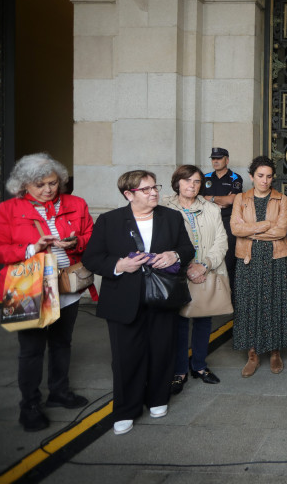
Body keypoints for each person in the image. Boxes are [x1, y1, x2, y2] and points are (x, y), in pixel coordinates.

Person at [0, 153, 93, 432]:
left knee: (62, 342)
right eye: (40, 185)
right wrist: (32, 249)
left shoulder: (76, 203)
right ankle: (29, 405)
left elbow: (92, 237)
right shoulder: (9, 209)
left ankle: (59, 392)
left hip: (68, 287)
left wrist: (75, 241)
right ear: (24, 186)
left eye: (53, 183)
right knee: (31, 350)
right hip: (27, 289)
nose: (48, 189)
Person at [83, 170, 195, 436]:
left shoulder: (171, 217)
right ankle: (126, 409)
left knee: (162, 350)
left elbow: (188, 249)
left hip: (162, 297)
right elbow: (92, 257)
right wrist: (119, 265)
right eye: (146, 189)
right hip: (123, 298)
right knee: (126, 357)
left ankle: (158, 398)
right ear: (128, 194)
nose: (154, 192)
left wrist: (173, 255)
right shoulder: (110, 221)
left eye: (154, 187)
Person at [161, 165, 227, 394]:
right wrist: (186, 267)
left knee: (203, 321)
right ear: (177, 182)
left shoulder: (211, 209)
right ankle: (179, 371)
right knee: (178, 323)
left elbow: (221, 241)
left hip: (205, 271)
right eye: (187, 180)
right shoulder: (162, 207)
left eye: (197, 181)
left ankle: (199, 365)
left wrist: (204, 265)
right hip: (176, 273)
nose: (192, 185)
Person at [231, 156, 287, 377]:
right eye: (260, 176)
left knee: (274, 303)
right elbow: (236, 229)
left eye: (268, 176)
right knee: (249, 304)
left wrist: (252, 229)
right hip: (248, 258)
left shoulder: (281, 199)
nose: (265, 181)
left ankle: (275, 352)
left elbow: (281, 231)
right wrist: (266, 225)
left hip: (274, 258)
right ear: (251, 176)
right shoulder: (241, 199)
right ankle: (253, 355)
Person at [203, 148, 243, 294]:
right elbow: (199, 199)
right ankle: (210, 296)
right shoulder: (205, 177)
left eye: (219, 158)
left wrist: (211, 198)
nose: (215, 161)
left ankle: (229, 298)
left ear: (227, 160)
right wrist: (220, 200)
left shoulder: (235, 177)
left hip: (227, 222)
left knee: (229, 261)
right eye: (213, 158)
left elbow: (232, 199)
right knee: (208, 257)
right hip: (208, 222)